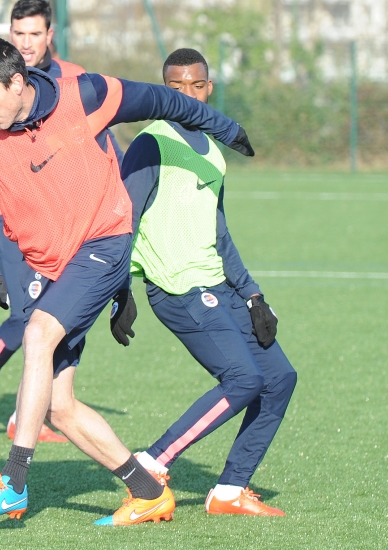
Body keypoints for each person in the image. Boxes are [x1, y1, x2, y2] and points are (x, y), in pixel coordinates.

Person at [0, 38, 254, 525]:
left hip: (105, 243)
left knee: (37, 334)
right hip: (51, 267)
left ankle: (12, 481)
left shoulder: (86, 95)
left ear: (18, 82)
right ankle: (147, 490)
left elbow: (163, 98)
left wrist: (223, 126)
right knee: (61, 407)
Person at [112, 47, 297, 517]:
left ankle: (230, 491)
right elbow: (123, 220)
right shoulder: (150, 142)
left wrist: (254, 295)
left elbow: (219, 229)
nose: (187, 95)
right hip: (178, 289)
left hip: (221, 286)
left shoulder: (214, 150)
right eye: (175, 89)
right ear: (163, 93)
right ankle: (151, 462)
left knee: (279, 379)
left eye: (196, 86)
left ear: (208, 89)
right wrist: (120, 292)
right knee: (243, 379)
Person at [0, 0, 119, 444]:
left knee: (54, 317)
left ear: (50, 37)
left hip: (67, 217)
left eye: (33, 34)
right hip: (6, 212)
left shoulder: (73, 78)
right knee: (29, 317)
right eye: (18, 33)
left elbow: (102, 141)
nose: (25, 42)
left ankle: (30, 413)